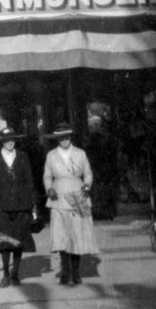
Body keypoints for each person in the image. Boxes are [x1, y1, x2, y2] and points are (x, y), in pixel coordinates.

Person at [43, 122, 99, 285]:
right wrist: (49, 188)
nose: (64, 139)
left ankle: (76, 272)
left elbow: (88, 172)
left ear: (71, 137)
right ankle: (65, 272)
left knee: (77, 233)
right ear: (57, 139)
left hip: (78, 194)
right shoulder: (51, 155)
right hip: (58, 196)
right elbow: (47, 176)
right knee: (61, 235)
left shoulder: (80, 154)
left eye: (67, 136)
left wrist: (87, 184)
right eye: (61, 137)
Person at [0, 128, 37, 287]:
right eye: (6, 140)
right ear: (2, 142)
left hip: (21, 204)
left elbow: (30, 181)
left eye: (12, 139)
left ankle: (15, 274)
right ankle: (6, 274)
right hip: (2, 205)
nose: (10, 142)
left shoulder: (23, 157)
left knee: (18, 242)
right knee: (4, 242)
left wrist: (34, 204)